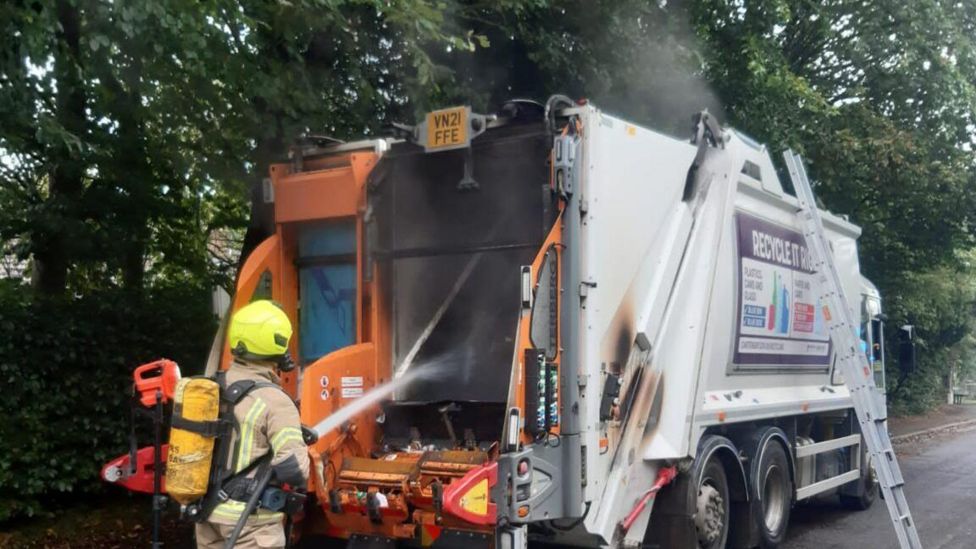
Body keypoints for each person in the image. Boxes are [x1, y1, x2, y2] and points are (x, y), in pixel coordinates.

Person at [196, 300, 310, 549]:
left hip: (207, 515)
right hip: (250, 525)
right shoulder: (275, 401)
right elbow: (296, 471)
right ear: (277, 342)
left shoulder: (211, 387)